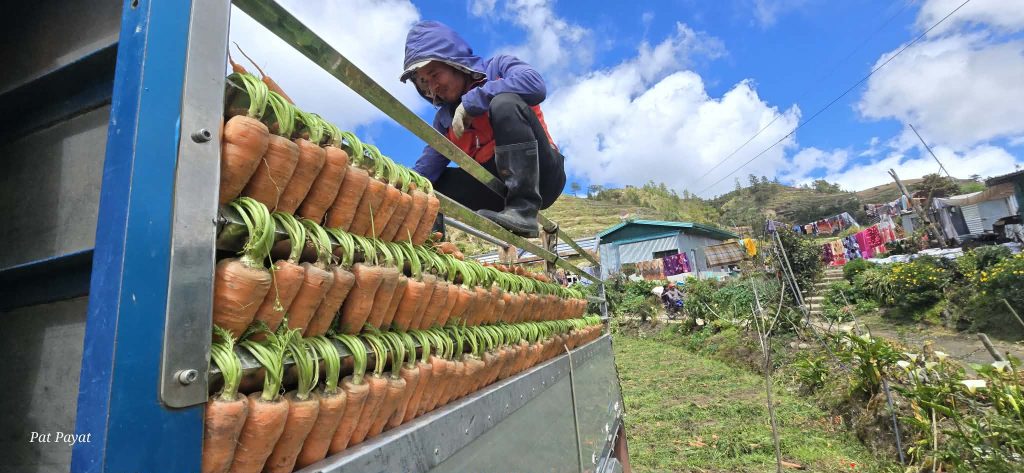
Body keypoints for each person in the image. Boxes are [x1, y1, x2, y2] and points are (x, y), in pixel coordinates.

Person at [400, 20, 567, 237]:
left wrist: (476, 100)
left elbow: (535, 84)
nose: (433, 87)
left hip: (543, 176)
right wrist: (399, 184)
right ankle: (431, 243)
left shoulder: (498, 68)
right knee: (429, 184)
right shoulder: (444, 121)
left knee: (505, 103)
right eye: (424, 82)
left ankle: (523, 210)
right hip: (498, 190)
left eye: (434, 74)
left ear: (453, 63)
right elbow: (427, 167)